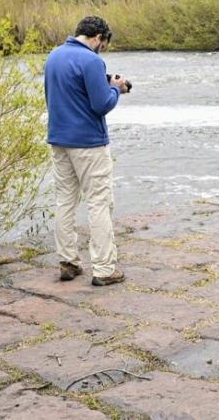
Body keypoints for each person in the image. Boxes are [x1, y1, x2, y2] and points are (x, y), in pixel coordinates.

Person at [44, 15, 130, 286]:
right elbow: (101, 104)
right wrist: (115, 89)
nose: (101, 49)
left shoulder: (54, 56)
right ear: (98, 38)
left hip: (59, 138)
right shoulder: (92, 60)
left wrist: (103, 81)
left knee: (65, 200)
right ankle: (104, 268)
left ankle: (68, 261)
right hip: (88, 143)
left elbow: (67, 90)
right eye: (102, 44)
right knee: (99, 203)